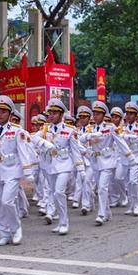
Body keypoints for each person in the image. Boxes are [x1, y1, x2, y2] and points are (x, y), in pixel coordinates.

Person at [0, 95, 34, 245]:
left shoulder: (17, 130)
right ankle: (4, 233)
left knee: (7, 201)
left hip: (12, 170)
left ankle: (16, 228)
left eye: (3, 112)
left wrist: (28, 172)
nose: (0, 114)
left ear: (10, 114)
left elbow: (23, 151)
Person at [80, 101, 134, 226]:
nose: (95, 116)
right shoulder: (90, 128)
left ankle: (101, 214)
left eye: (98, 114)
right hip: (95, 162)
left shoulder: (110, 128)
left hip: (108, 161)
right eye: (94, 114)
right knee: (101, 188)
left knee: (102, 188)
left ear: (103, 115)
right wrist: (90, 136)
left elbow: (120, 141)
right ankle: (108, 213)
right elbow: (81, 140)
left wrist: (130, 156)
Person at [37, 98, 84, 235]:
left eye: (54, 113)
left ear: (61, 114)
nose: (51, 116)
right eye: (49, 113)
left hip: (64, 165)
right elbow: (32, 138)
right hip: (50, 166)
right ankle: (60, 221)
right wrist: (43, 143)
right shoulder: (45, 129)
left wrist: (80, 169)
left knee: (59, 192)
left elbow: (75, 151)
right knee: (54, 193)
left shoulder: (70, 130)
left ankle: (64, 223)